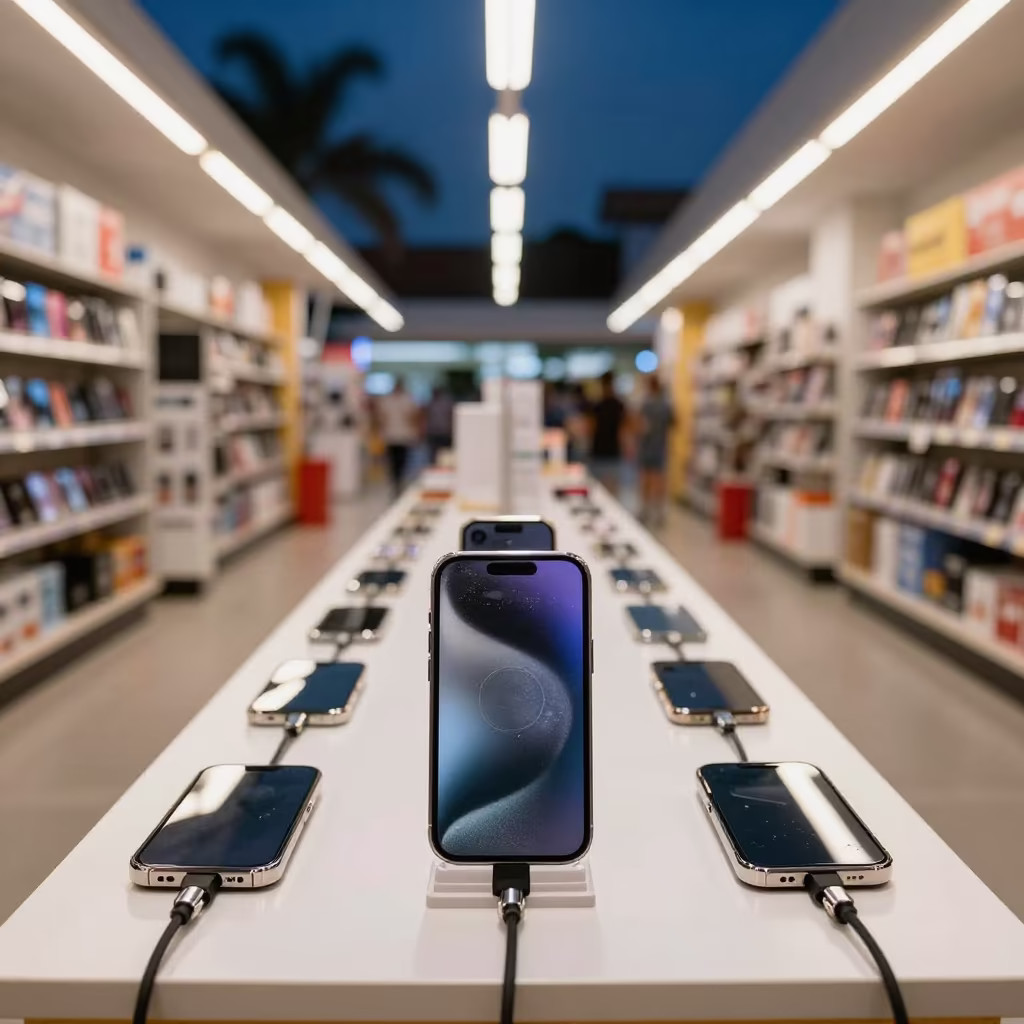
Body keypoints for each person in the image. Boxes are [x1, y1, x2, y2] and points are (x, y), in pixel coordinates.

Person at [637, 372, 675, 526]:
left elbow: (640, 425)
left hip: (647, 447)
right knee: (659, 480)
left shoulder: (646, 404)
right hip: (660, 446)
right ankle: (659, 512)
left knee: (646, 479)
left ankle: (645, 510)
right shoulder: (666, 404)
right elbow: (673, 423)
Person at [376, 377, 421, 496]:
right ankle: (395, 482)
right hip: (391, 436)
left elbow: (414, 416)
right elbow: (382, 417)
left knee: (403, 461)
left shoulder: (408, 399)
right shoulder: (387, 400)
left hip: (404, 436)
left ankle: (400, 481)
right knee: (392, 461)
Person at [588, 371, 628, 494]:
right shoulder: (619, 405)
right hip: (610, 452)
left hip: (600, 451)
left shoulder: (597, 405)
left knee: (598, 491)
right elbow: (624, 429)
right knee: (612, 491)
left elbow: (591, 428)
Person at [424, 385, 455, 464]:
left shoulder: (447, 403)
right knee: (433, 453)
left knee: (444, 453)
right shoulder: (430, 403)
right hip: (433, 432)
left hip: (444, 431)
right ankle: (434, 464)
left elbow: (451, 416)